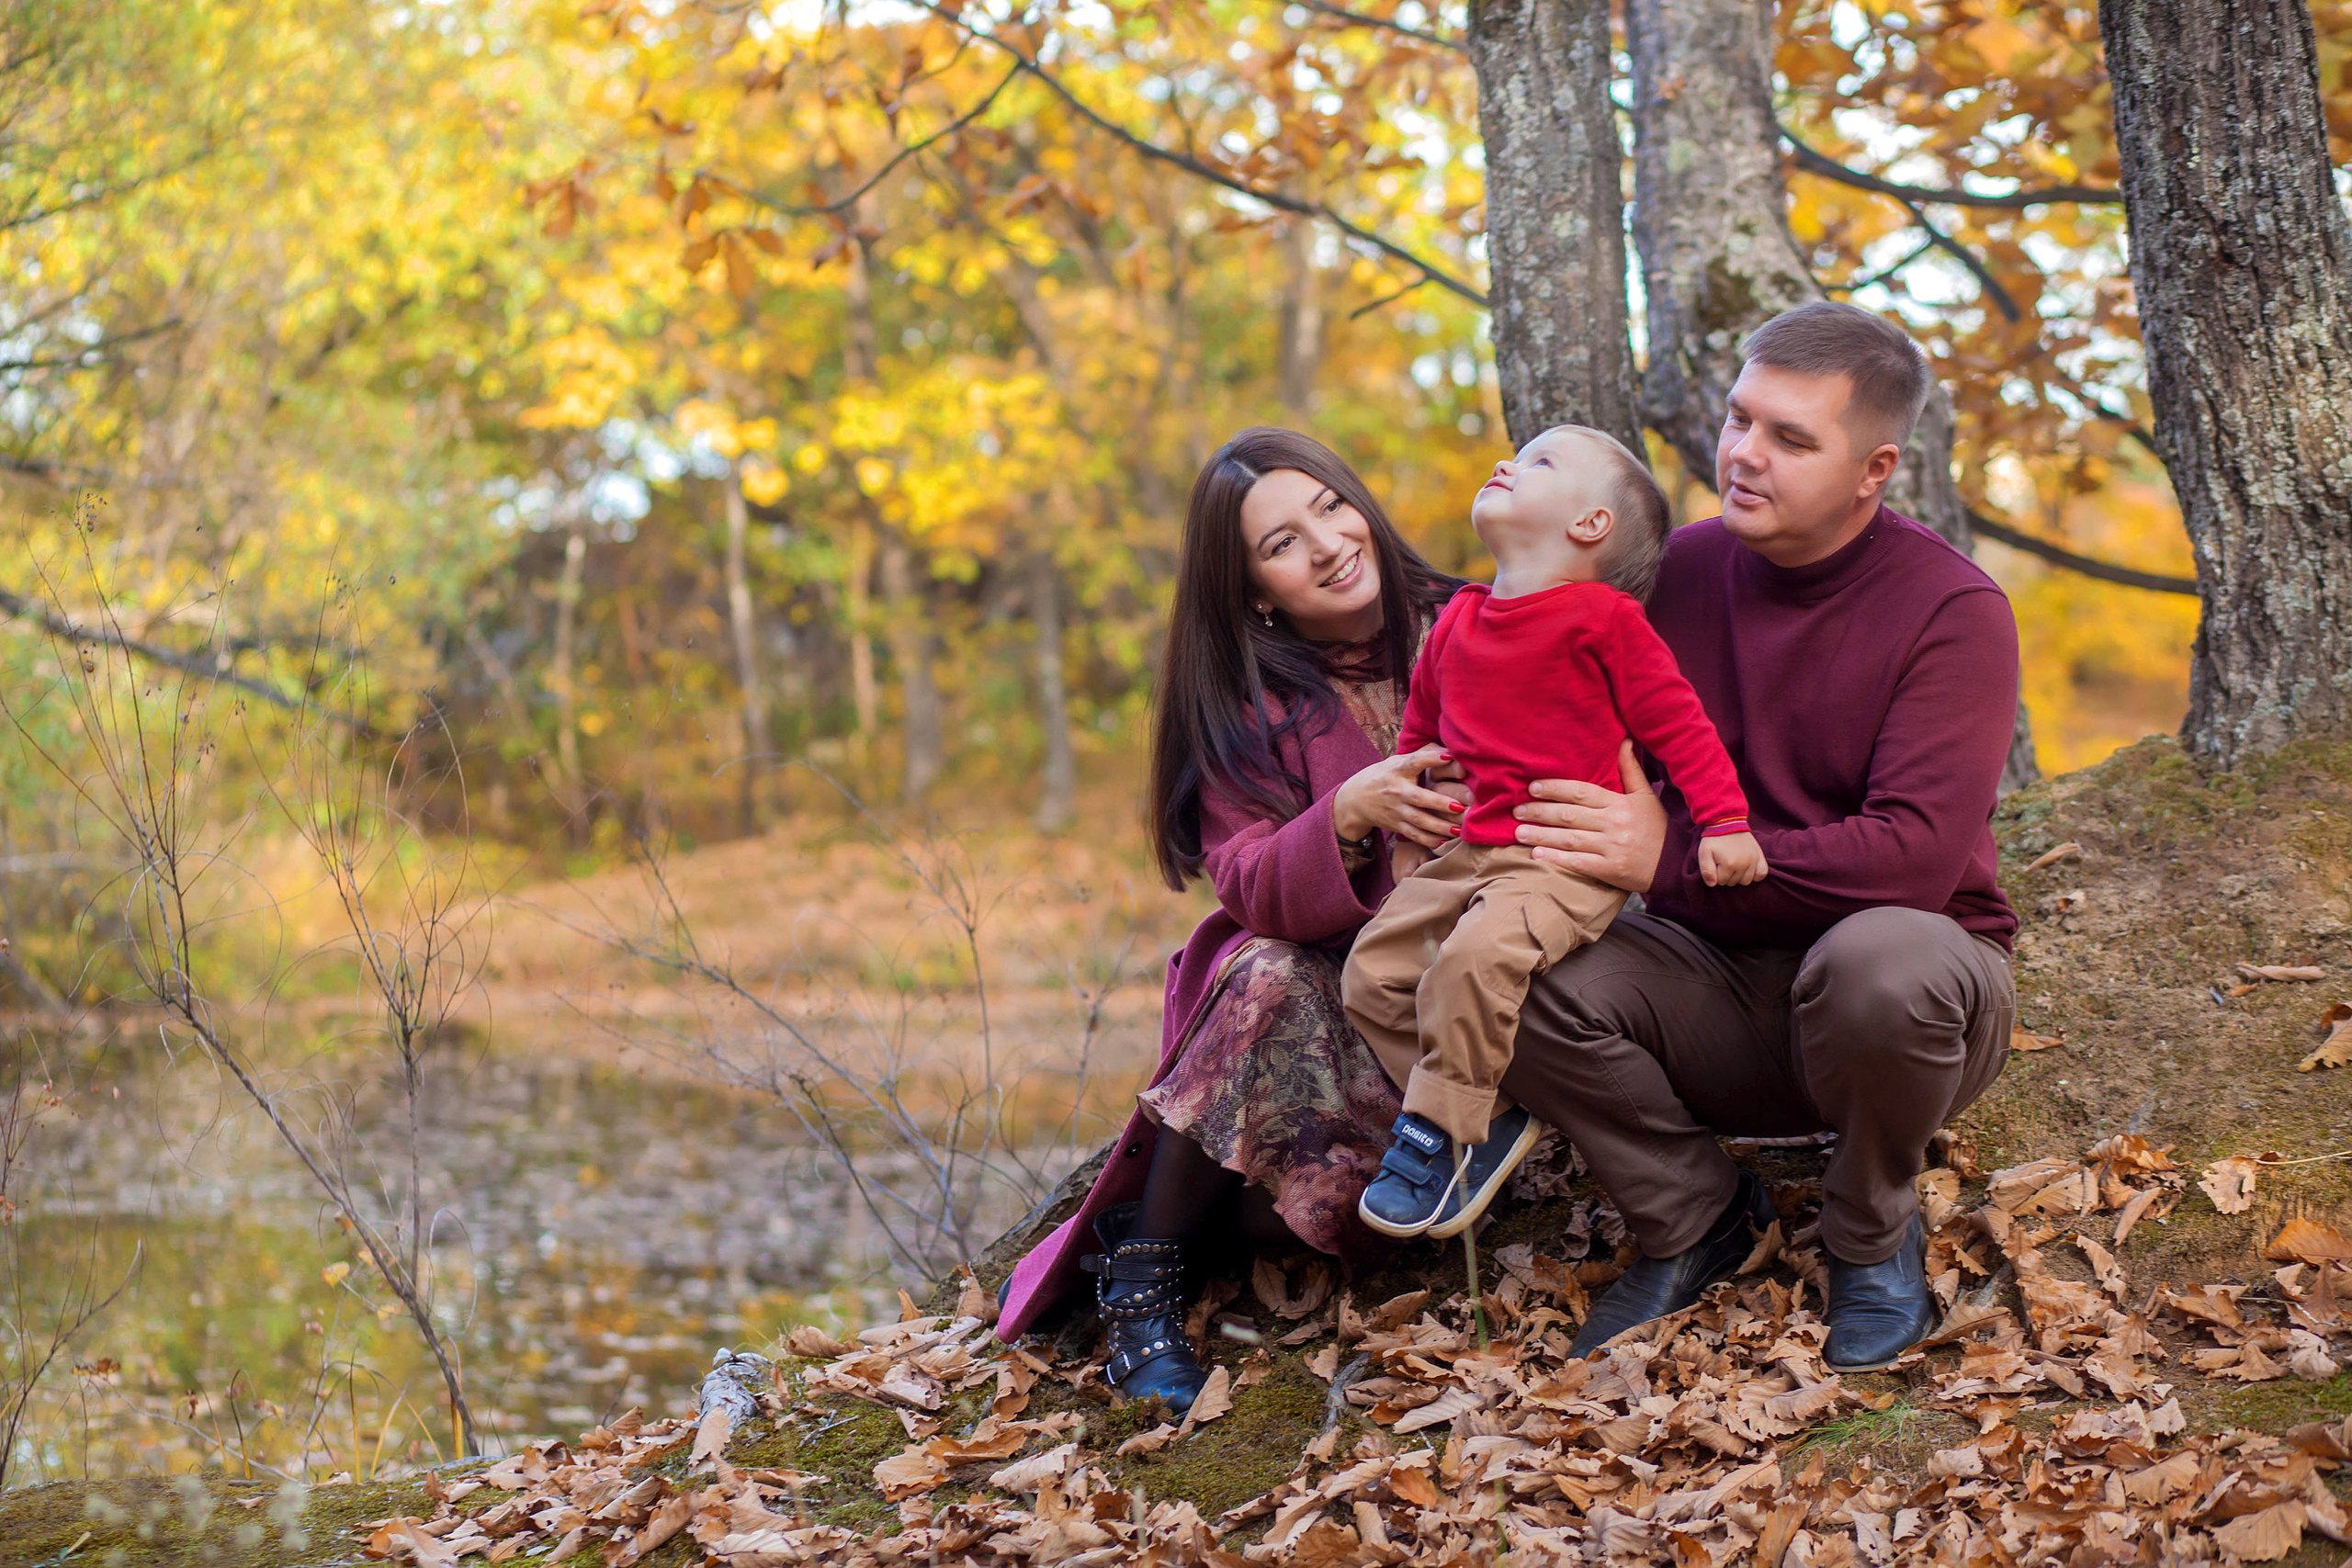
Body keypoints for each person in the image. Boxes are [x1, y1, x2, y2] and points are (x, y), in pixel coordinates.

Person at [1494, 301, 2020, 1372]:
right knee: (1492, 952)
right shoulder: (1670, 575)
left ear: (1873, 468)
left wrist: (1668, 860)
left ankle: (1869, 1232)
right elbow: (1535, 683)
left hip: (1900, 1004)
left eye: (1790, 438)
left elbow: (1913, 861)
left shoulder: (1952, 609)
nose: (1743, 455)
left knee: (1884, 957)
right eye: (1739, 420)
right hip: (1706, 988)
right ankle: (1690, 1214)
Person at [992, 428, 1464, 1413]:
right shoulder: (1250, 709)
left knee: (1325, 1205)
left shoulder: (1479, 623)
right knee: (1266, 972)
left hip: (1492, 999)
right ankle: (1145, 1286)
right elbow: (1243, 877)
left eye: (1331, 506)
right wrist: (1341, 816)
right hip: (1340, 1030)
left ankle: (1187, 1228)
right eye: (1282, 542)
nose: (1328, 543)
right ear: (1254, 589)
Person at [1342, 426, 1764, 1242]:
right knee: (1373, 974)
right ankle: (1489, 1116)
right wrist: (1408, 821)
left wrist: (1723, 822)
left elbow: (1681, 727)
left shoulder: (1604, 620)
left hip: (1560, 861)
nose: (1507, 462)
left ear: (1591, 525)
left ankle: (1440, 1130)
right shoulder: (1459, 618)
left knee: (1474, 958)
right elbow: (1419, 741)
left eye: (1539, 462)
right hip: (1469, 849)